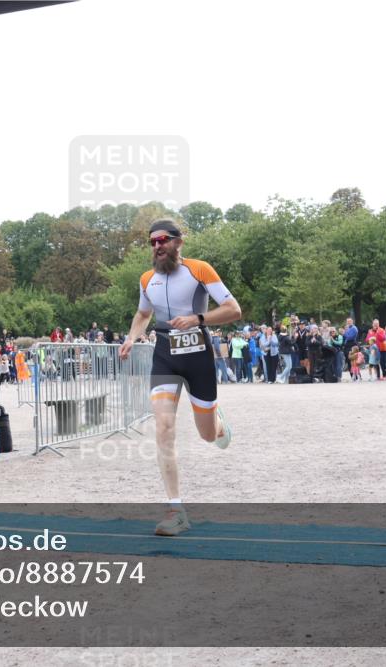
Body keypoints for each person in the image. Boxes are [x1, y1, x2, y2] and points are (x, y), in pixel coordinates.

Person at [118, 218, 241, 537]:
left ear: (178, 242)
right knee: (163, 426)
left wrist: (198, 318)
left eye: (163, 240)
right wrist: (132, 337)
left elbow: (233, 309)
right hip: (165, 357)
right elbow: (143, 314)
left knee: (206, 435)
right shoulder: (147, 279)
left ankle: (217, 423)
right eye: (152, 242)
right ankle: (176, 509)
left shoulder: (200, 269)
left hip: (198, 355)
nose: (157, 246)